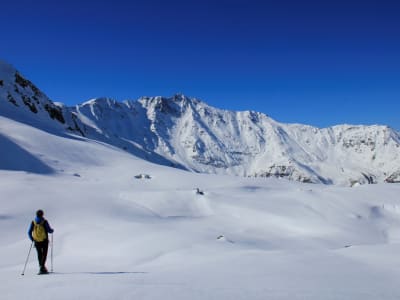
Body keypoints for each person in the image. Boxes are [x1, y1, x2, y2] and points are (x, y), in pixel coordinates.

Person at [28, 209, 54, 274]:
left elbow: (28, 232)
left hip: (36, 241)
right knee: (44, 254)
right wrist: (52, 230)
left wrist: (32, 239)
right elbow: (49, 230)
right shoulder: (44, 221)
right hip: (44, 240)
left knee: (39, 254)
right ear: (42, 214)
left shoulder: (33, 222)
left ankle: (41, 267)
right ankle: (42, 268)